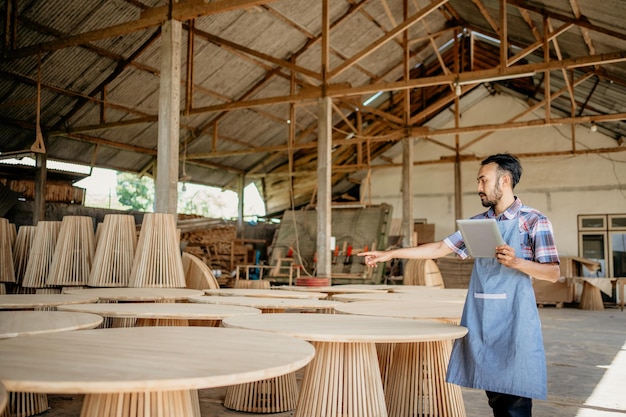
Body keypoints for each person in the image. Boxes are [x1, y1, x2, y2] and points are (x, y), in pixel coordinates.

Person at [358, 153, 560, 417]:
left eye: (483, 180)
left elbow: (553, 273)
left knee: (515, 400)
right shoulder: (478, 224)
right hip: (483, 318)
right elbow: (441, 247)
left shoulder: (533, 220)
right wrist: (390, 254)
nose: (478, 188)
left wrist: (517, 263)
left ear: (505, 181)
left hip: (515, 321)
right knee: (496, 397)